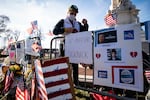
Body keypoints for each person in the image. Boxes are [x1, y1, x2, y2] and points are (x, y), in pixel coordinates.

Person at [53, 5, 89, 85]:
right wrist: (65, 29)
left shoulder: (78, 24)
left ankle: (76, 85)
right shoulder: (62, 21)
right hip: (64, 47)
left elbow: (85, 31)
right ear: (68, 12)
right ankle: (63, 84)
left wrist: (86, 24)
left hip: (75, 48)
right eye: (72, 13)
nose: (73, 15)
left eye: (75, 14)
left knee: (75, 67)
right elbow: (54, 31)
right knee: (64, 66)